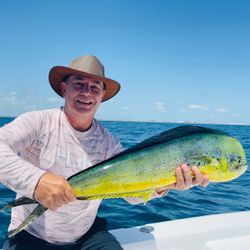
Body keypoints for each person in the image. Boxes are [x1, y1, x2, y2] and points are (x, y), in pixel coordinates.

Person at [0, 55, 209, 250]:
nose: (86, 92)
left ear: (102, 96)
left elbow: (132, 196)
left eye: (94, 87)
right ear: (64, 89)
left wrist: (165, 184)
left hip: (87, 236)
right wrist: (37, 181)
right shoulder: (37, 122)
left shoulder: (108, 142)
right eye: (79, 84)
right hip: (30, 235)